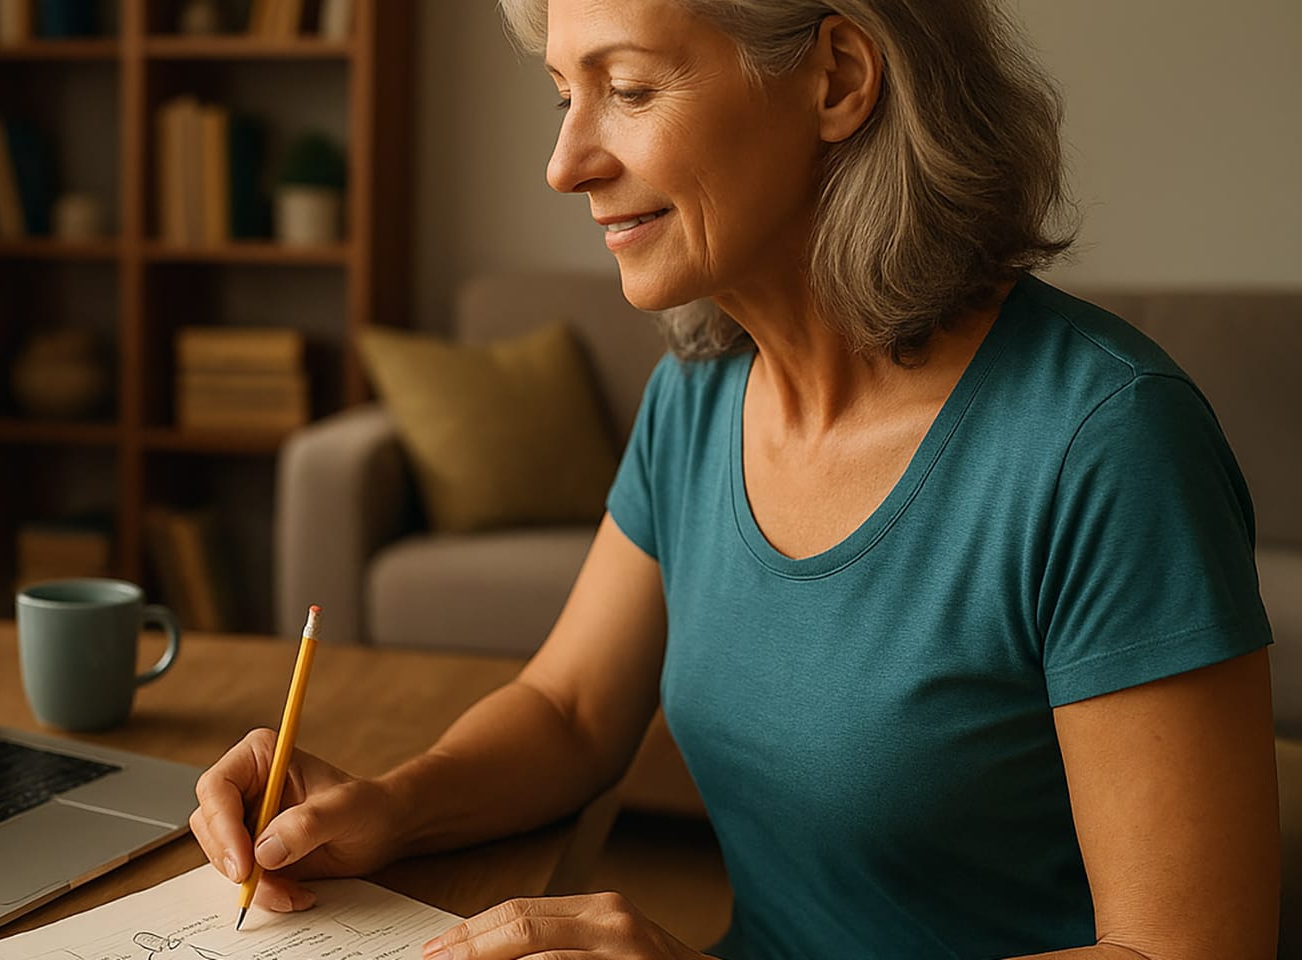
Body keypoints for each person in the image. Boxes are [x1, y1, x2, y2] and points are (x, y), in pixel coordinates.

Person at [191, 2, 1279, 958]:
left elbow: (1187, 948)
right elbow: (571, 711)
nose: (566, 162)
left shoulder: (1106, 441)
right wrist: (387, 806)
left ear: (837, 78)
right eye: (563, 95)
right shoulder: (698, 397)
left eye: (626, 89)